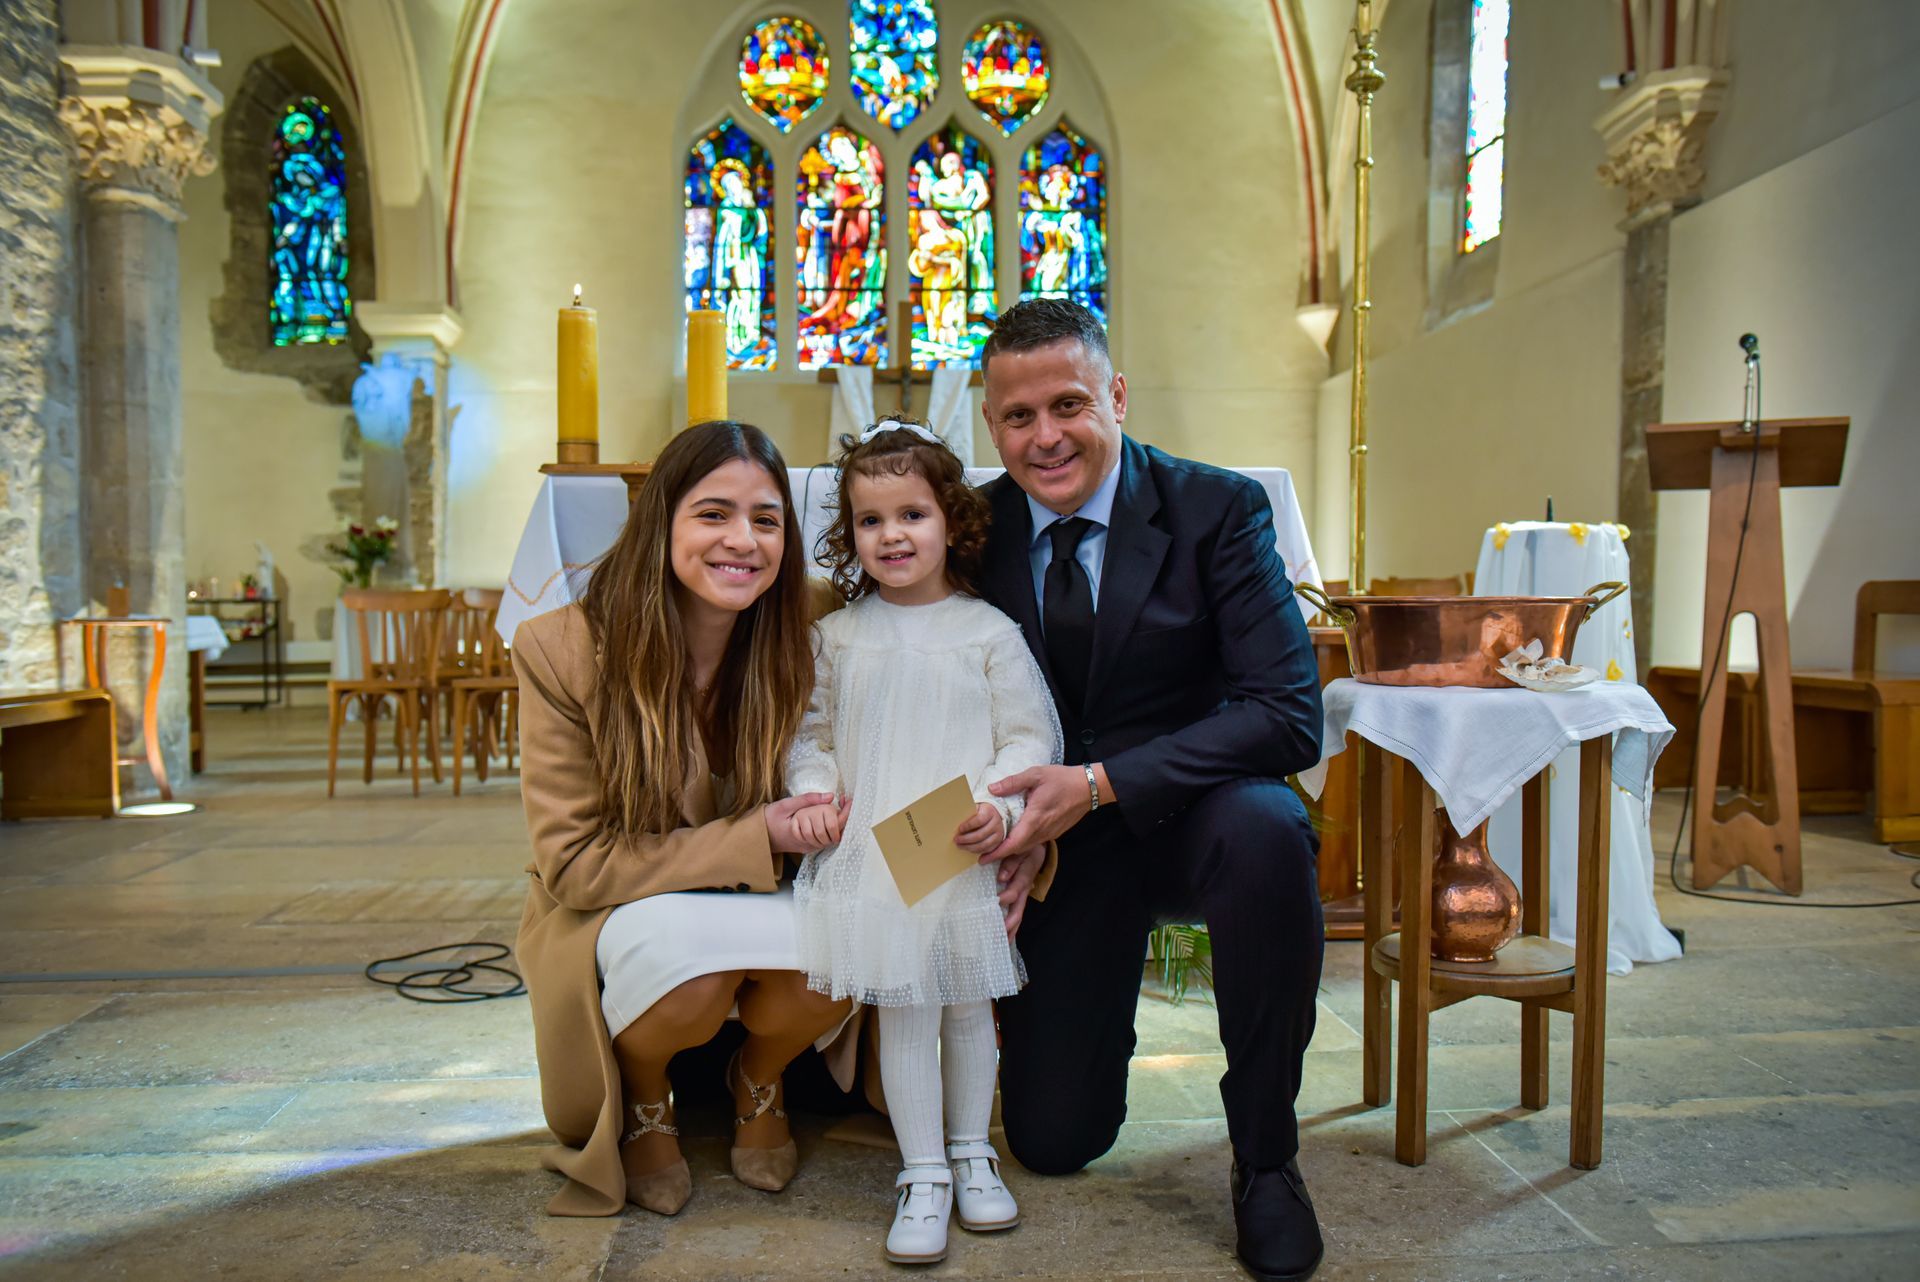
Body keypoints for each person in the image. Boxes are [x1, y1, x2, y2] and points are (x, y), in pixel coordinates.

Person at [973, 299, 1328, 1281]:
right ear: (990, 422)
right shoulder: (974, 529)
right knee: (1052, 1139)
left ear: (1116, 396)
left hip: (1190, 817)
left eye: (1069, 404)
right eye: (1017, 416)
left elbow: (1289, 712)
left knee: (1268, 827)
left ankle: (1266, 1159)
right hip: (1058, 851)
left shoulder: (1216, 509)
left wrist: (1100, 783)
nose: (1045, 437)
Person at [512, 421, 854, 1218]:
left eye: (766, 520)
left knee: (856, 954)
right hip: (624, 902)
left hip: (773, 894)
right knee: (689, 983)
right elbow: (576, 865)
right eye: (712, 514)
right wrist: (758, 835)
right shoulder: (563, 648)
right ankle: (640, 1095)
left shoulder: (814, 623)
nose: (742, 540)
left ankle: (760, 1077)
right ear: (660, 519)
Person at [785, 421, 1062, 1266]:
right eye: (871, 521)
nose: (892, 535)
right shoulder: (837, 636)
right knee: (905, 1009)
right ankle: (923, 1172)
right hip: (876, 851)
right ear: (849, 535)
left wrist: (997, 809)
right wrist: (813, 793)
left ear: (951, 522)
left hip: (957, 846)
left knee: (971, 1005)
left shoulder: (988, 630)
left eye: (912, 515)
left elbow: (1027, 737)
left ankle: (975, 1152)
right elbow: (812, 733)